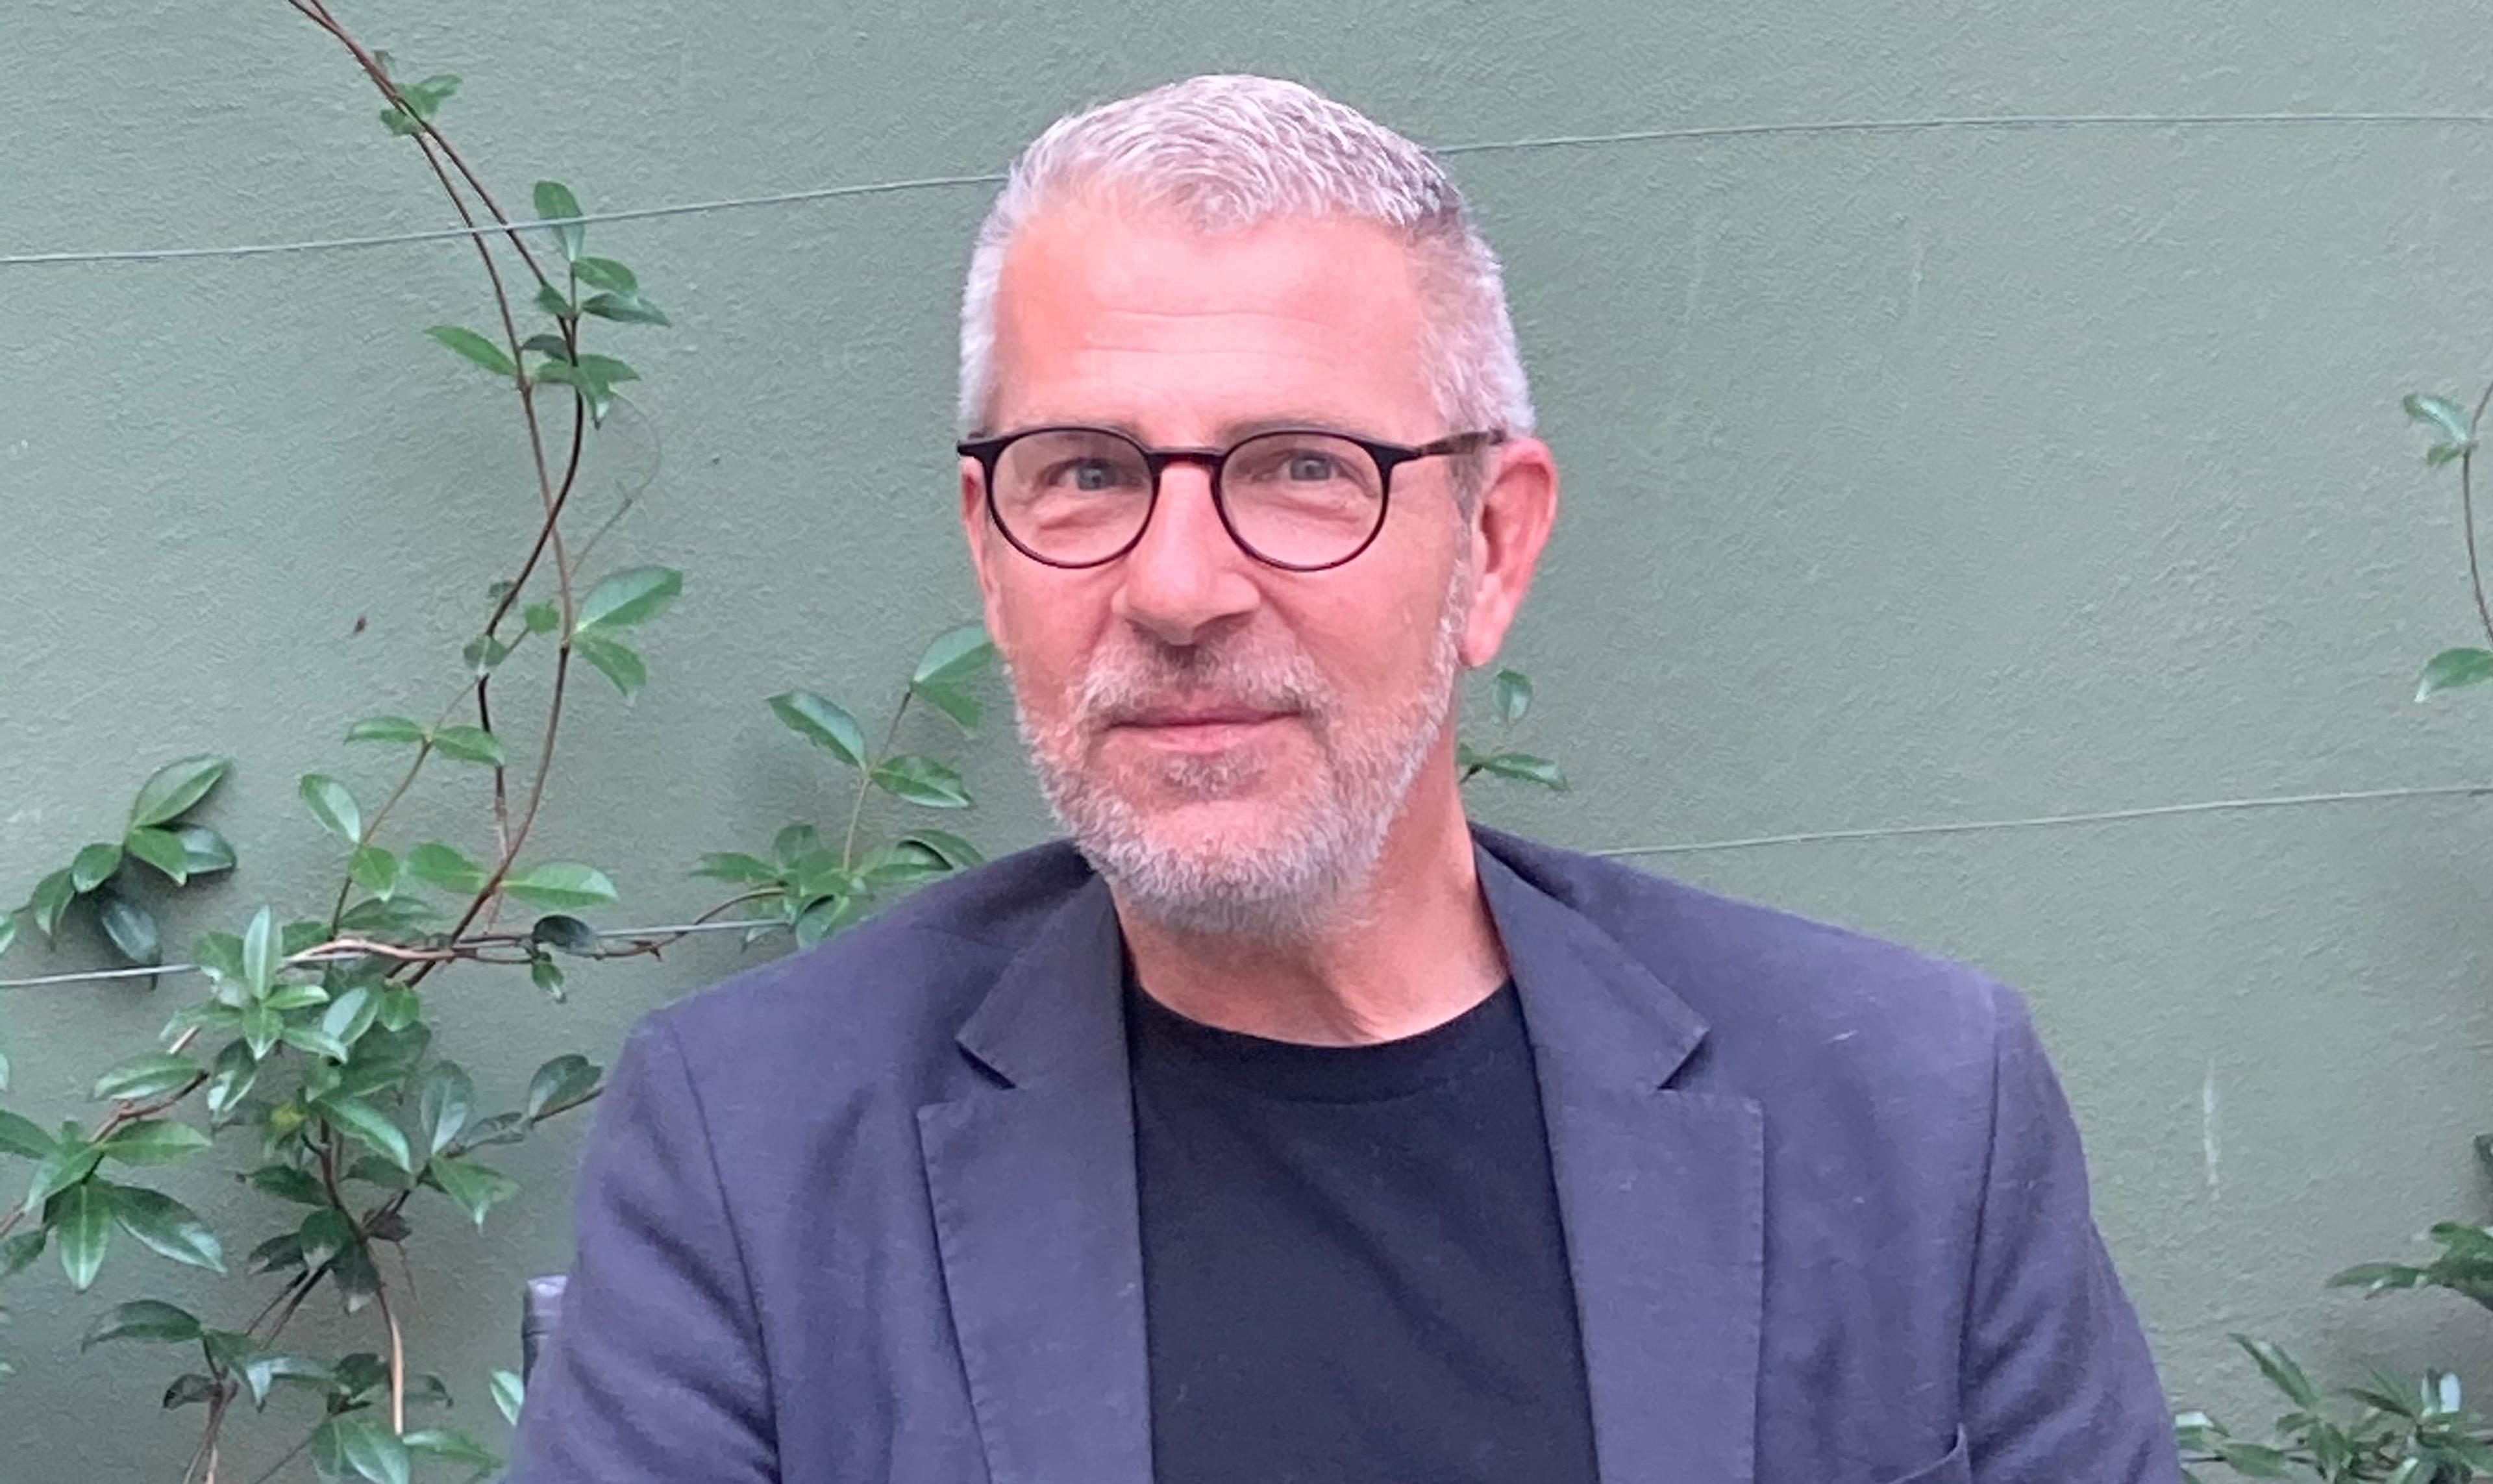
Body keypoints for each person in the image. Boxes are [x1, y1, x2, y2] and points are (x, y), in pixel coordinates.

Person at [512, 74, 2179, 1484]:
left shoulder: (1909, 1111)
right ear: (990, 551)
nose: (1175, 589)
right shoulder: (757, 1148)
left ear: (1494, 546)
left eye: (1302, 469)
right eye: (1084, 472)